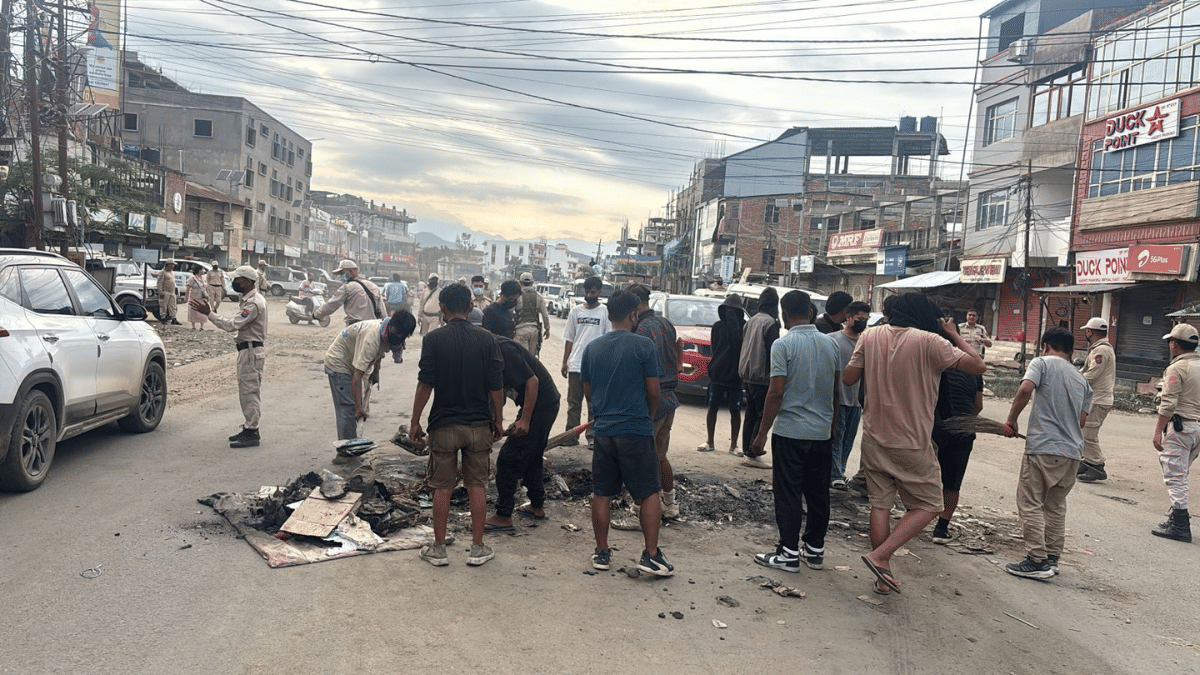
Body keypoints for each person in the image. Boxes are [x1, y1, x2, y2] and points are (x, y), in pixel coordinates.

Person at [844, 294, 985, 594]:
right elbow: (977, 365)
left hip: (874, 436)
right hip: (912, 440)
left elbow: (848, 378)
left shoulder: (870, 336)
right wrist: (953, 334)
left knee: (880, 504)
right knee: (931, 504)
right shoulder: (930, 341)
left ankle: (882, 576)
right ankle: (881, 555)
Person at [410, 284, 505, 568]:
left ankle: (439, 549)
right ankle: (478, 548)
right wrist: (499, 420)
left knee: (442, 488)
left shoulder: (433, 339)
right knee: (477, 487)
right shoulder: (487, 339)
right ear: (471, 307)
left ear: (442, 307)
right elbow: (496, 385)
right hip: (478, 425)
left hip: (444, 425)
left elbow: (425, 383)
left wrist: (415, 421)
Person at [581, 289, 673, 577]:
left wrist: (602, 412)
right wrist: (648, 415)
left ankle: (601, 552)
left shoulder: (592, 348)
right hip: (636, 428)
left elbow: (588, 391)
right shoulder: (644, 346)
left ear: (609, 315)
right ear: (634, 314)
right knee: (649, 492)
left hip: (604, 430)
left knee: (602, 493)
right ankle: (651, 555)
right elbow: (654, 391)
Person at [751, 290, 840, 574]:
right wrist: (832, 424)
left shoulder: (783, 345)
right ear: (811, 313)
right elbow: (835, 389)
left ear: (784, 314)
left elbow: (776, 392)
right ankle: (814, 549)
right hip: (821, 433)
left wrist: (761, 433)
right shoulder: (831, 344)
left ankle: (788, 553)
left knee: (788, 493)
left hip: (791, 432)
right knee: (818, 493)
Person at [1002, 328, 1091, 579]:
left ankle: (1036, 561)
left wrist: (1011, 420)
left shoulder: (1041, 363)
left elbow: (1025, 389)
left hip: (1043, 448)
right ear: (1071, 351)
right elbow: (1082, 420)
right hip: (1072, 452)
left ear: (1045, 346)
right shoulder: (1082, 380)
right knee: (1055, 506)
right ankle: (1052, 558)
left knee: (1030, 503)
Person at [613, 284, 682, 528]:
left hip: (652, 401)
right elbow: (679, 344)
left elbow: (638, 369)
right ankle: (670, 504)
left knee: (641, 461)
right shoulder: (665, 323)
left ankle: (637, 512)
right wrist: (677, 366)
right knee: (660, 456)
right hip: (669, 398)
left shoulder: (641, 329)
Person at [484, 336, 561, 532]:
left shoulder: (503, 350)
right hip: (538, 404)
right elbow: (497, 392)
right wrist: (496, 422)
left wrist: (525, 419)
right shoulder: (487, 354)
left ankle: (503, 516)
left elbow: (533, 381)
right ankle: (536, 507)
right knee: (532, 456)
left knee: (508, 458)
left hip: (542, 405)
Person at [188, 266, 268, 448]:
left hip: (251, 352)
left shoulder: (253, 303)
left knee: (249, 392)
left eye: (238, 279)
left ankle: (252, 431)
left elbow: (232, 325)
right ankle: (249, 427)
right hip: (247, 351)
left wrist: (209, 313)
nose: (234, 282)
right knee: (246, 391)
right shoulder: (250, 299)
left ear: (247, 282)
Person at [324, 310, 416, 440]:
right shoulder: (371, 338)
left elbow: (379, 351)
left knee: (351, 407)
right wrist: (359, 408)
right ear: (390, 326)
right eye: (396, 334)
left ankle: (350, 444)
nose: (399, 339)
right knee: (348, 409)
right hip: (338, 363)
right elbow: (357, 377)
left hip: (351, 360)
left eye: (403, 336)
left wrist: (376, 371)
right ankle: (347, 449)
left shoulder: (385, 332)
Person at [930, 337, 985, 545]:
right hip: (963, 430)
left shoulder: (936, 365)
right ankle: (941, 529)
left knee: (924, 477)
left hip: (935, 427)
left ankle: (913, 518)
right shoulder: (975, 371)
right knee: (952, 483)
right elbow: (978, 406)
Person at [1150, 323, 1200, 543]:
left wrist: (1157, 431)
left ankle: (1180, 524)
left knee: (1175, 475)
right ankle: (1176, 516)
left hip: (1181, 427)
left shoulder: (1177, 368)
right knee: (1181, 471)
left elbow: (1168, 403)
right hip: (1197, 427)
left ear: (1174, 344)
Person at [562, 276, 611, 448]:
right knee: (573, 403)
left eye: (593, 292)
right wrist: (565, 361)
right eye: (587, 291)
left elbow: (608, 339)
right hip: (576, 364)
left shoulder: (605, 312)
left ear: (599, 292)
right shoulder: (576, 311)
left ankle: (592, 437)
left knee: (594, 404)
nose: (589, 295)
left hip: (596, 366)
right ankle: (571, 436)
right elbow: (569, 338)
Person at [738, 288, 781, 470]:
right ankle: (753, 453)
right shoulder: (770, 323)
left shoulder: (752, 320)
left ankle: (747, 450)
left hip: (747, 374)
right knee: (761, 415)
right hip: (762, 376)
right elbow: (773, 352)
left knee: (750, 414)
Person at [830, 301, 870, 488]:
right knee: (837, 437)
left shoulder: (867, 342)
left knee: (848, 439)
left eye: (865, 319)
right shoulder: (833, 340)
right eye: (859, 319)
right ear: (848, 318)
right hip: (838, 398)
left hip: (857, 400)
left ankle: (840, 471)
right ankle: (835, 474)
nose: (863, 322)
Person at [699, 294, 745, 455]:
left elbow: (739, 346)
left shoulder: (743, 327)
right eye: (727, 310)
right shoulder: (717, 326)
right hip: (718, 374)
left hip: (735, 375)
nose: (730, 313)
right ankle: (709, 441)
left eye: (733, 311)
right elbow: (715, 348)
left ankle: (734, 445)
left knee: (735, 410)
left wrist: (735, 327)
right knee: (713, 407)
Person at [1078, 317, 1115, 483]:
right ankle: (1087, 462)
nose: (1086, 333)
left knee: (1089, 434)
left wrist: (1074, 380)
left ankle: (1097, 466)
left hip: (1099, 399)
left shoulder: (1101, 351)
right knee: (1083, 431)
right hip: (1095, 398)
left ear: (1090, 332)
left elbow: (1092, 374)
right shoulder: (1098, 349)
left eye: (1087, 331)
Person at [314, 260, 385, 326]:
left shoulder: (347, 288)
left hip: (355, 326)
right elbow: (383, 311)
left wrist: (317, 314)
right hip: (373, 326)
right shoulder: (374, 286)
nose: (340, 276)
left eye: (342, 273)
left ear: (349, 271)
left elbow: (332, 304)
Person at [513, 271, 551, 357]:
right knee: (531, 358)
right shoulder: (539, 296)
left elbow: (510, 312)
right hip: (534, 330)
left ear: (520, 282)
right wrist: (547, 329)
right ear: (532, 282)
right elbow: (545, 315)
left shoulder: (517, 296)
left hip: (520, 330)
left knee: (522, 357)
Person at [186, 265, 208, 331]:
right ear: (199, 270)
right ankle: (193, 326)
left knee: (203, 311)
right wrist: (186, 297)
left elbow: (206, 287)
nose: (203, 271)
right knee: (193, 311)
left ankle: (202, 326)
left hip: (202, 297)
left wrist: (207, 295)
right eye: (202, 269)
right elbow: (188, 288)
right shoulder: (192, 279)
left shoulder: (204, 278)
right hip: (194, 297)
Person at [157, 261, 179, 325]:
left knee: (173, 305)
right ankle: (163, 318)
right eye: (172, 264)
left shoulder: (172, 272)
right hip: (165, 291)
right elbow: (159, 283)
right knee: (163, 305)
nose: (173, 266)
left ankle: (173, 318)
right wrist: (161, 291)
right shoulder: (162, 272)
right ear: (168, 264)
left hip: (172, 291)